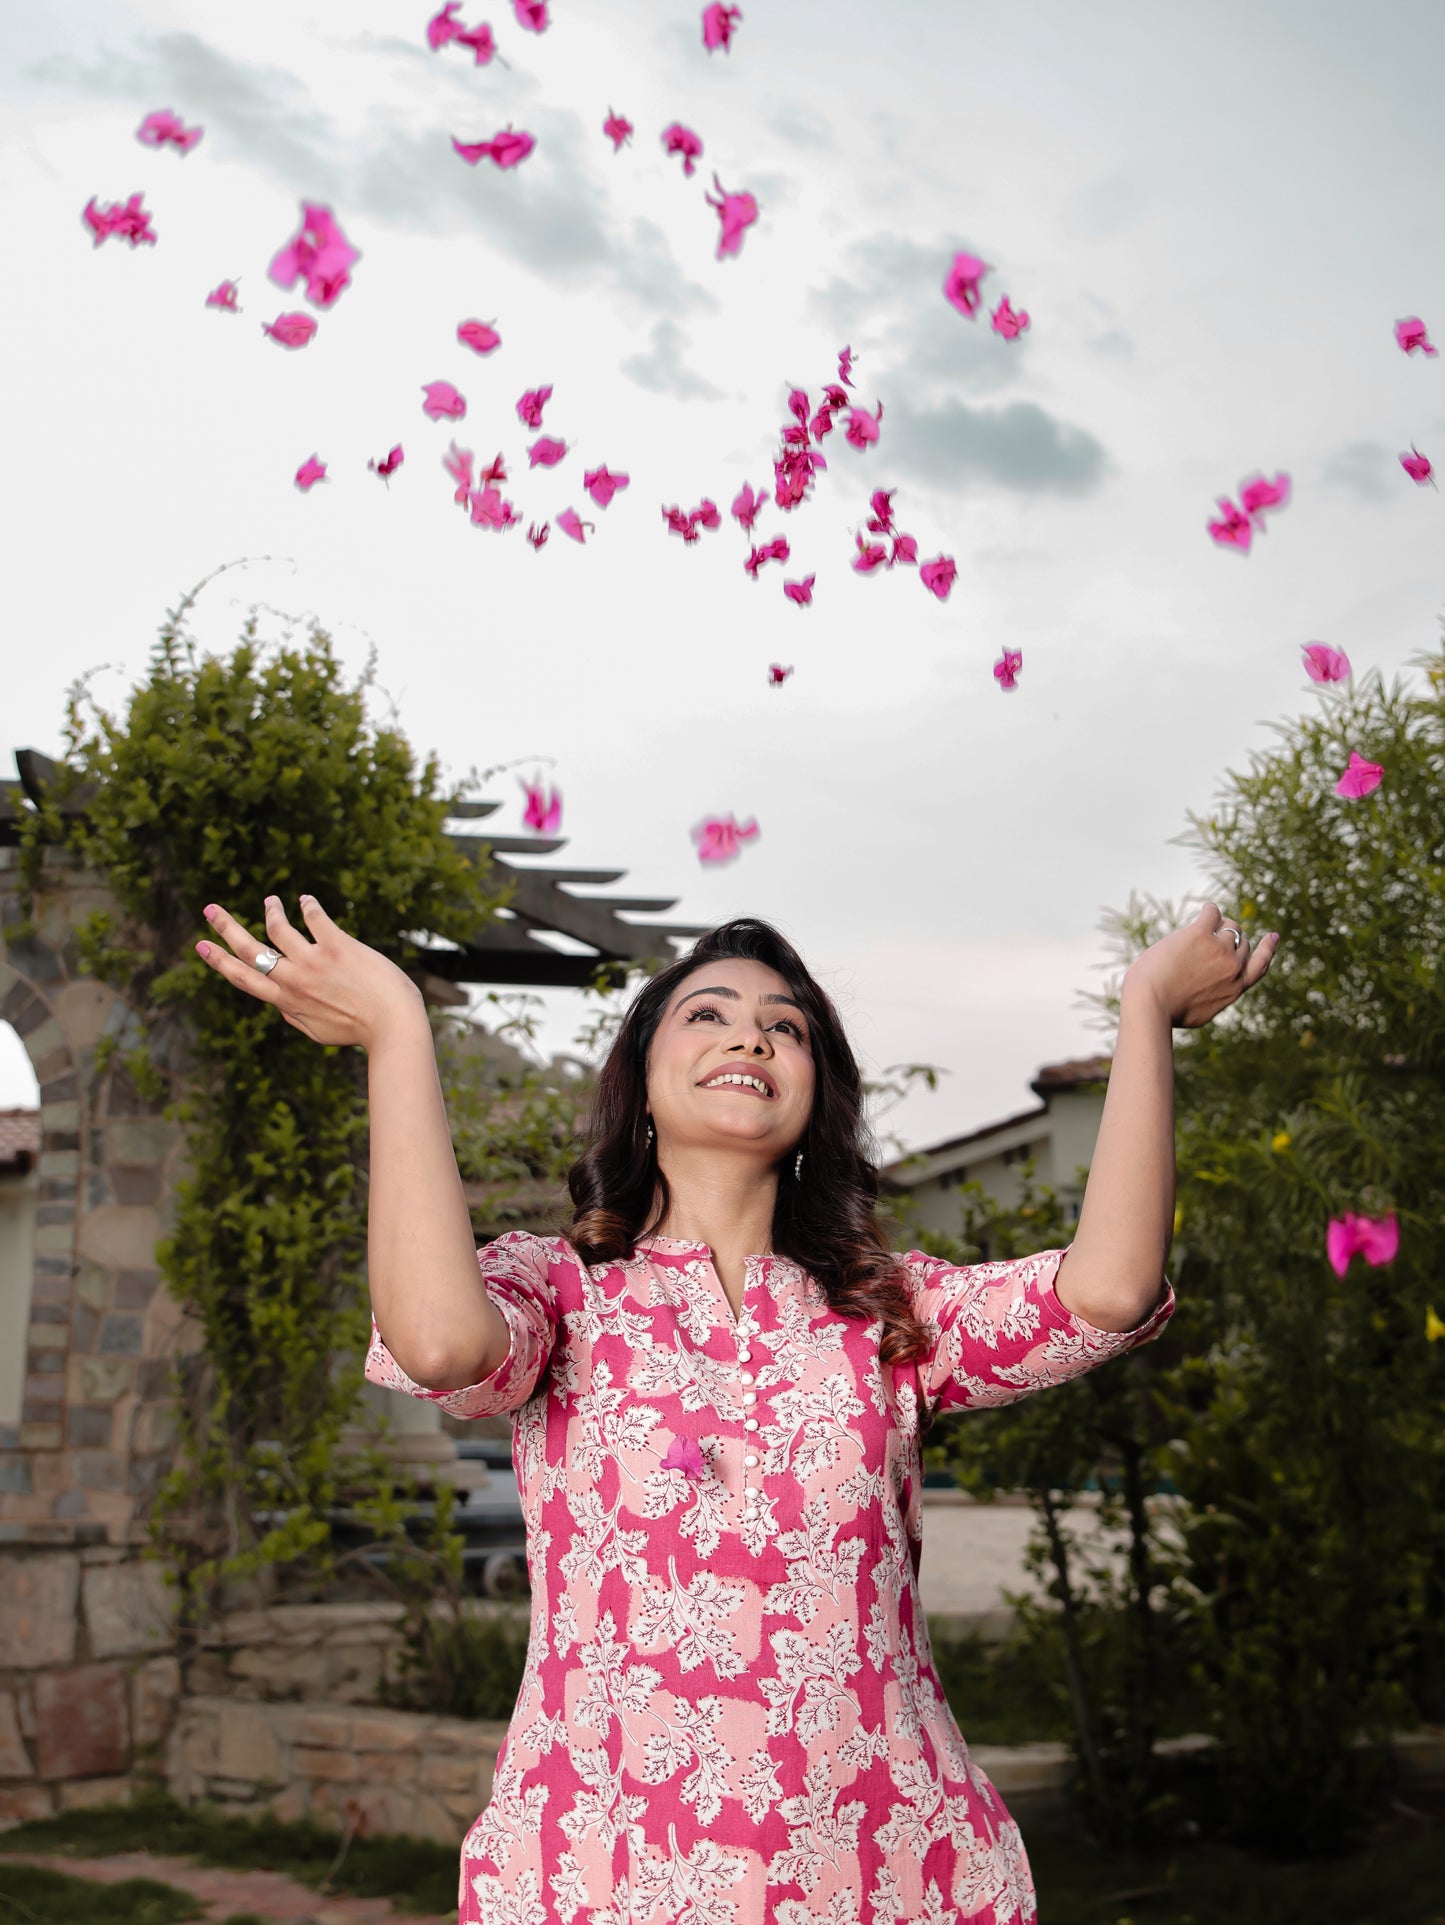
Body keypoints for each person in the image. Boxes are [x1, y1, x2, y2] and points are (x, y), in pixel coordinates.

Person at [196, 894, 1277, 1924]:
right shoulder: (557, 1290)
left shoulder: (888, 1308)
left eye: (785, 1026)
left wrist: (1142, 1014)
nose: (749, 1037)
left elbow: (1109, 1288)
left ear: (817, 1091)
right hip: (604, 1873)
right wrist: (396, 1032)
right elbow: (437, 1341)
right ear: (639, 1079)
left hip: (888, 1870)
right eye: (706, 1014)